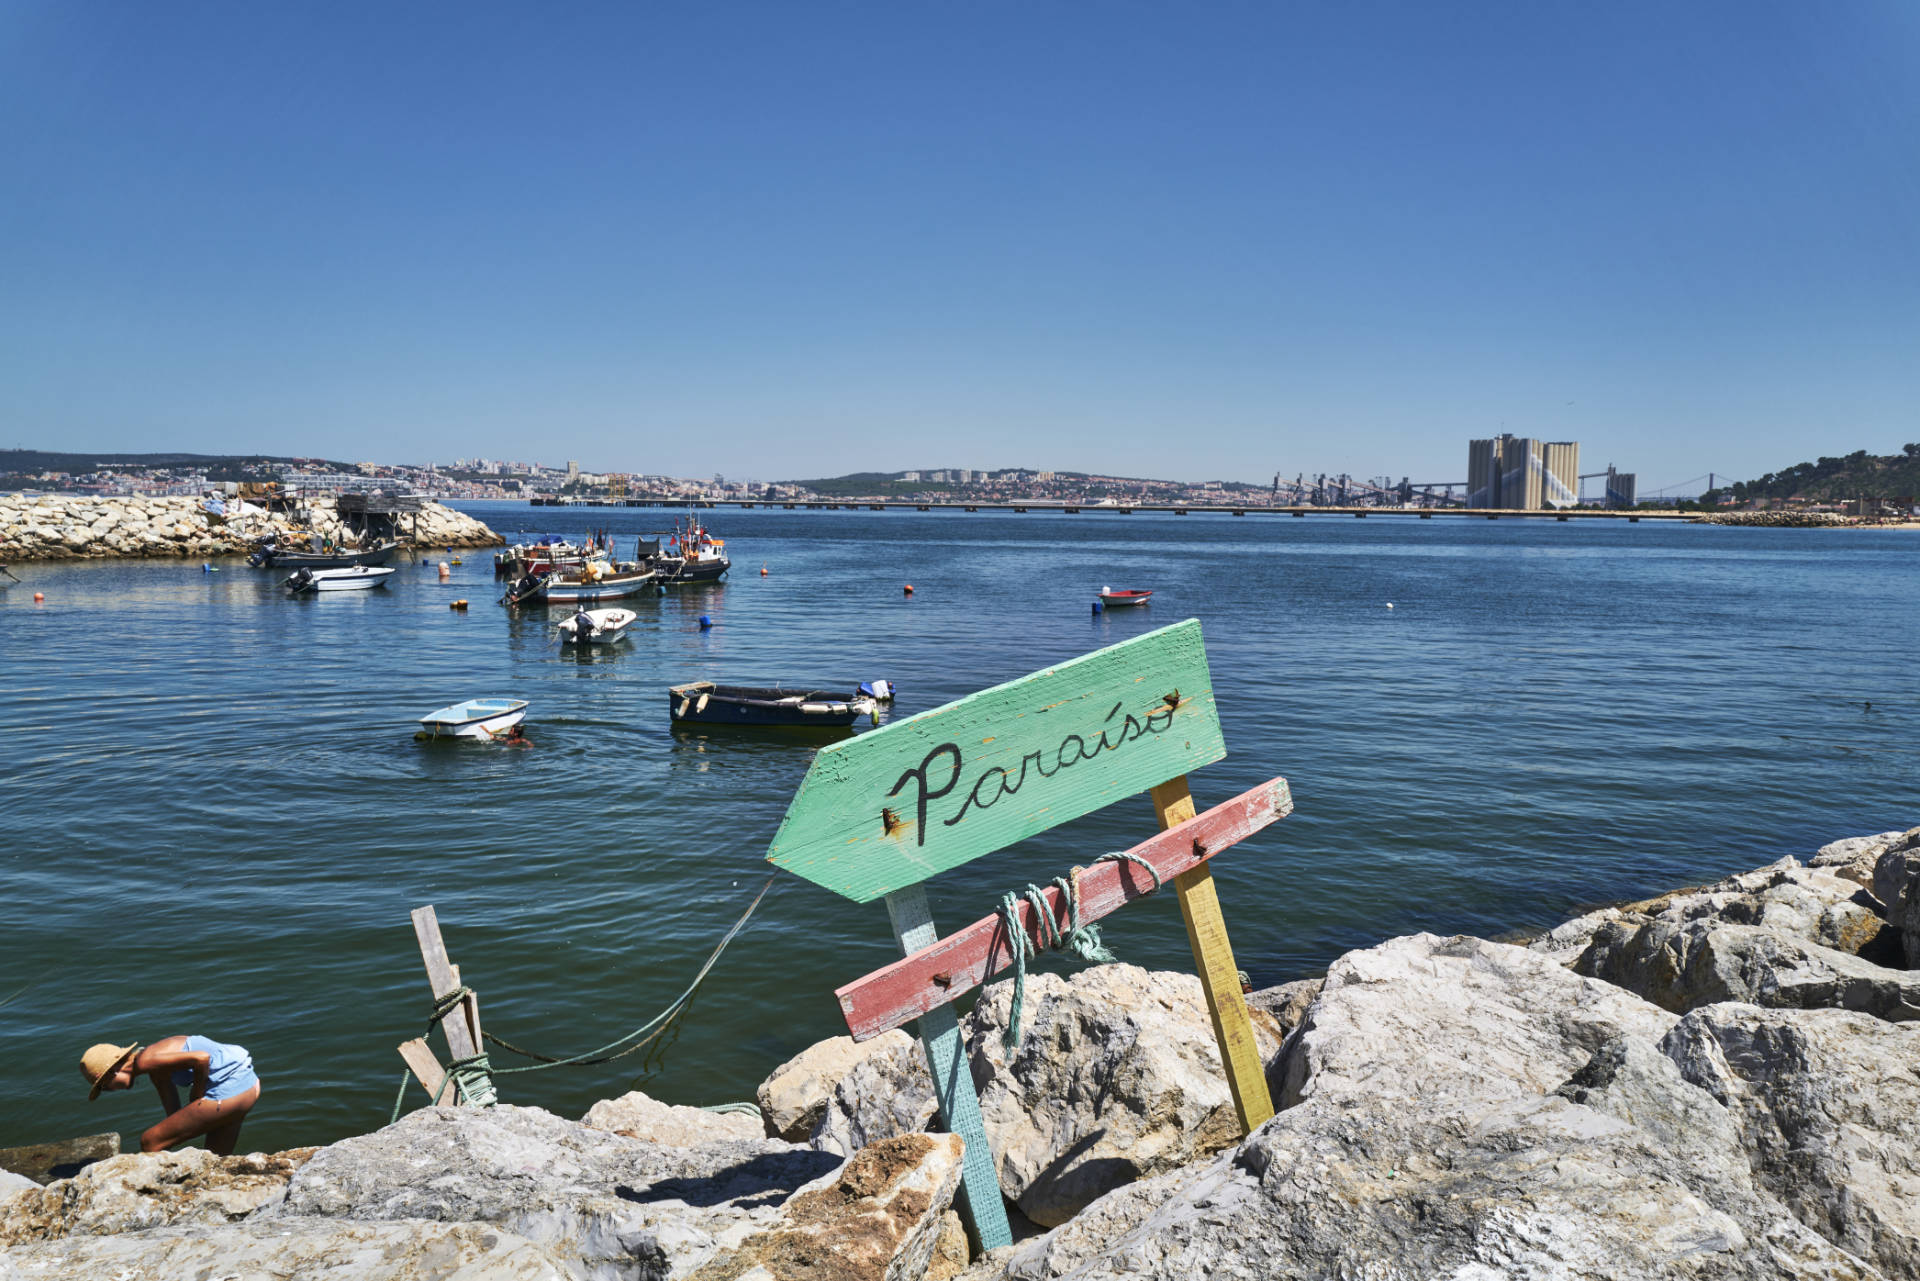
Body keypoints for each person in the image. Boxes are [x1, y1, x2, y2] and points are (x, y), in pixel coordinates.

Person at [79, 1036, 261, 1154]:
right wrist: (170, 1137)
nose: (111, 1091)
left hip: (231, 1088)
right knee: (215, 1159)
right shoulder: (153, 1067)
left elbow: (201, 1058)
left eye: (105, 1088)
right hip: (248, 1086)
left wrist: (196, 1093)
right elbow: (173, 1113)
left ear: (109, 1073)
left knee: (149, 1140)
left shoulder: (146, 1062)